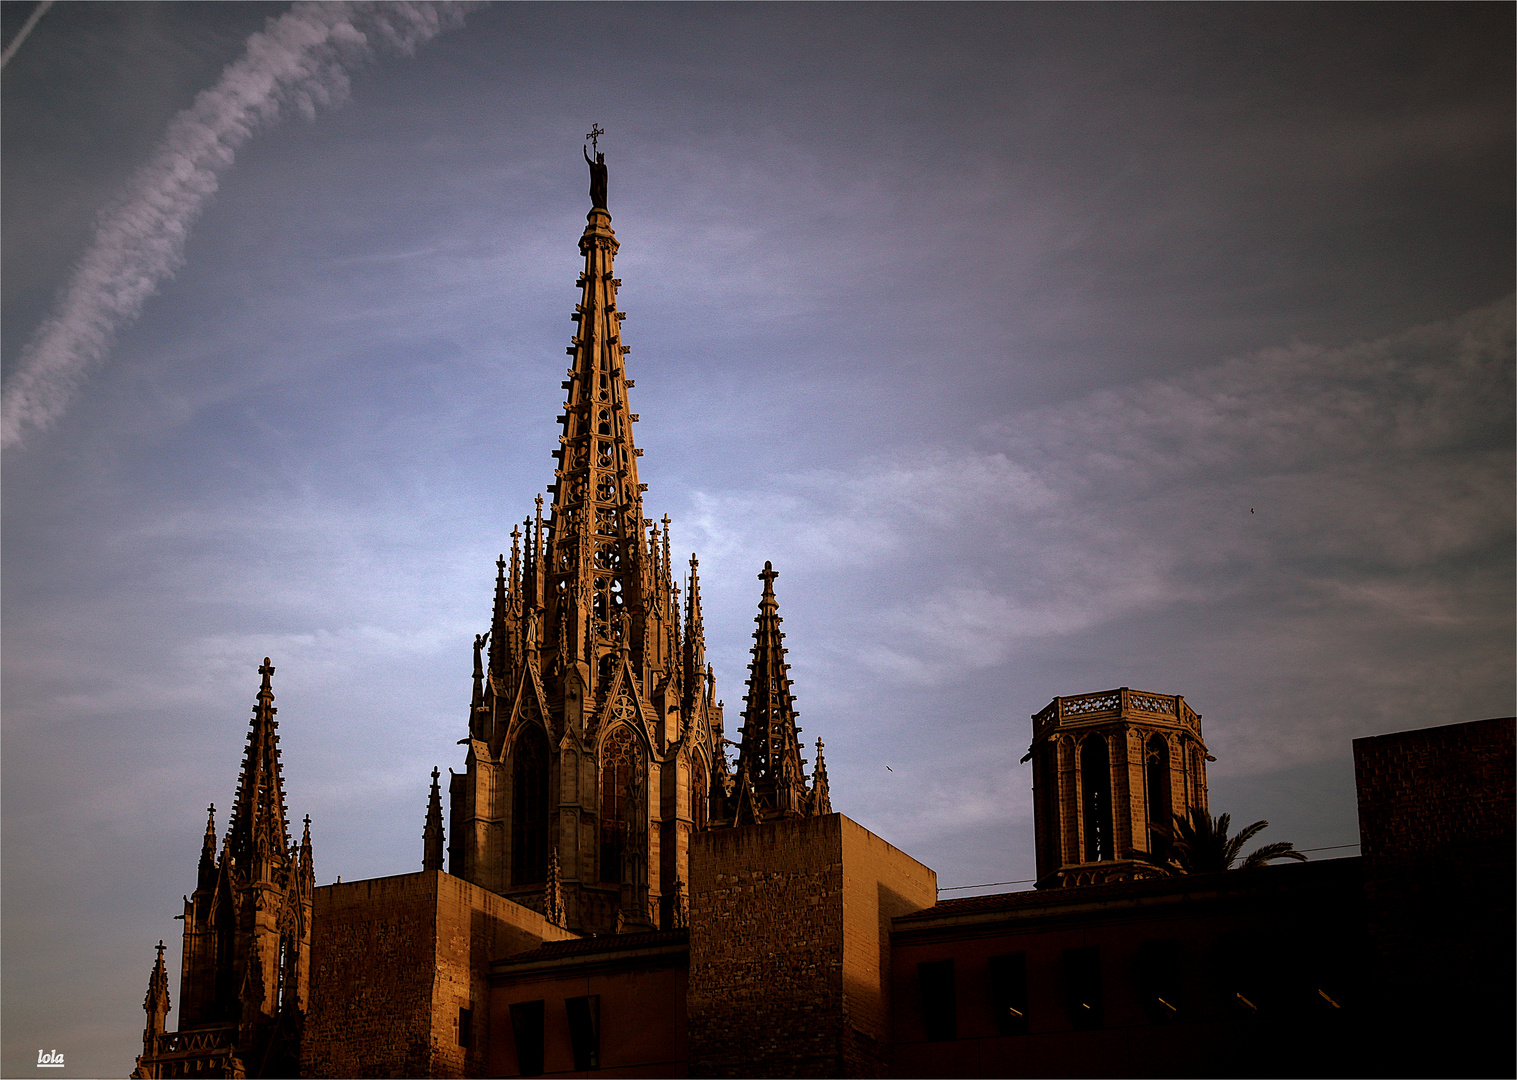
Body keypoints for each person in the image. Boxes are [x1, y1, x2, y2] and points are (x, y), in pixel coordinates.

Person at [584, 145, 608, 209]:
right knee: (594, 193)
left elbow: (605, 176)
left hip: (601, 183)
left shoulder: (603, 167)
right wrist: (585, 152)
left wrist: (602, 179)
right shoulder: (594, 165)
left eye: (601, 159)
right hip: (595, 183)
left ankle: (601, 204)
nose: (599, 160)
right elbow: (588, 160)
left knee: (599, 192)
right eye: (598, 159)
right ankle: (597, 204)